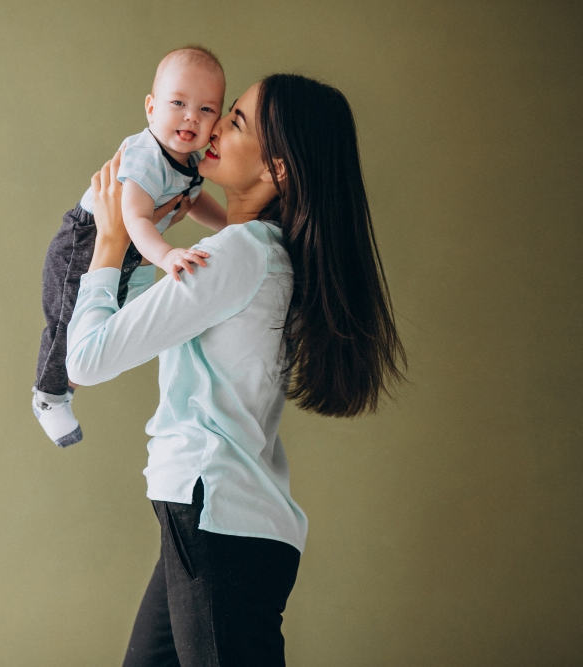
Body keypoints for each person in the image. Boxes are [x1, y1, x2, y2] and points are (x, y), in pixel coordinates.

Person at [66, 74, 406, 666]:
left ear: (277, 169)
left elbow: (87, 360)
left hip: (214, 515)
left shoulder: (238, 253)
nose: (213, 125)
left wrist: (111, 242)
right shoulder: (263, 253)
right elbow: (155, 322)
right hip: (226, 520)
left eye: (237, 121)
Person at [33, 45, 231, 448]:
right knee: (70, 317)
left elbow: (192, 202)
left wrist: (230, 224)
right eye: (178, 103)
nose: (191, 116)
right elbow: (135, 218)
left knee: (118, 323)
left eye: (206, 109)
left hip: (133, 249)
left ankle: (66, 385)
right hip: (88, 239)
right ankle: (50, 395)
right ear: (151, 108)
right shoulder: (146, 155)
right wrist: (166, 255)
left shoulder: (190, 163)